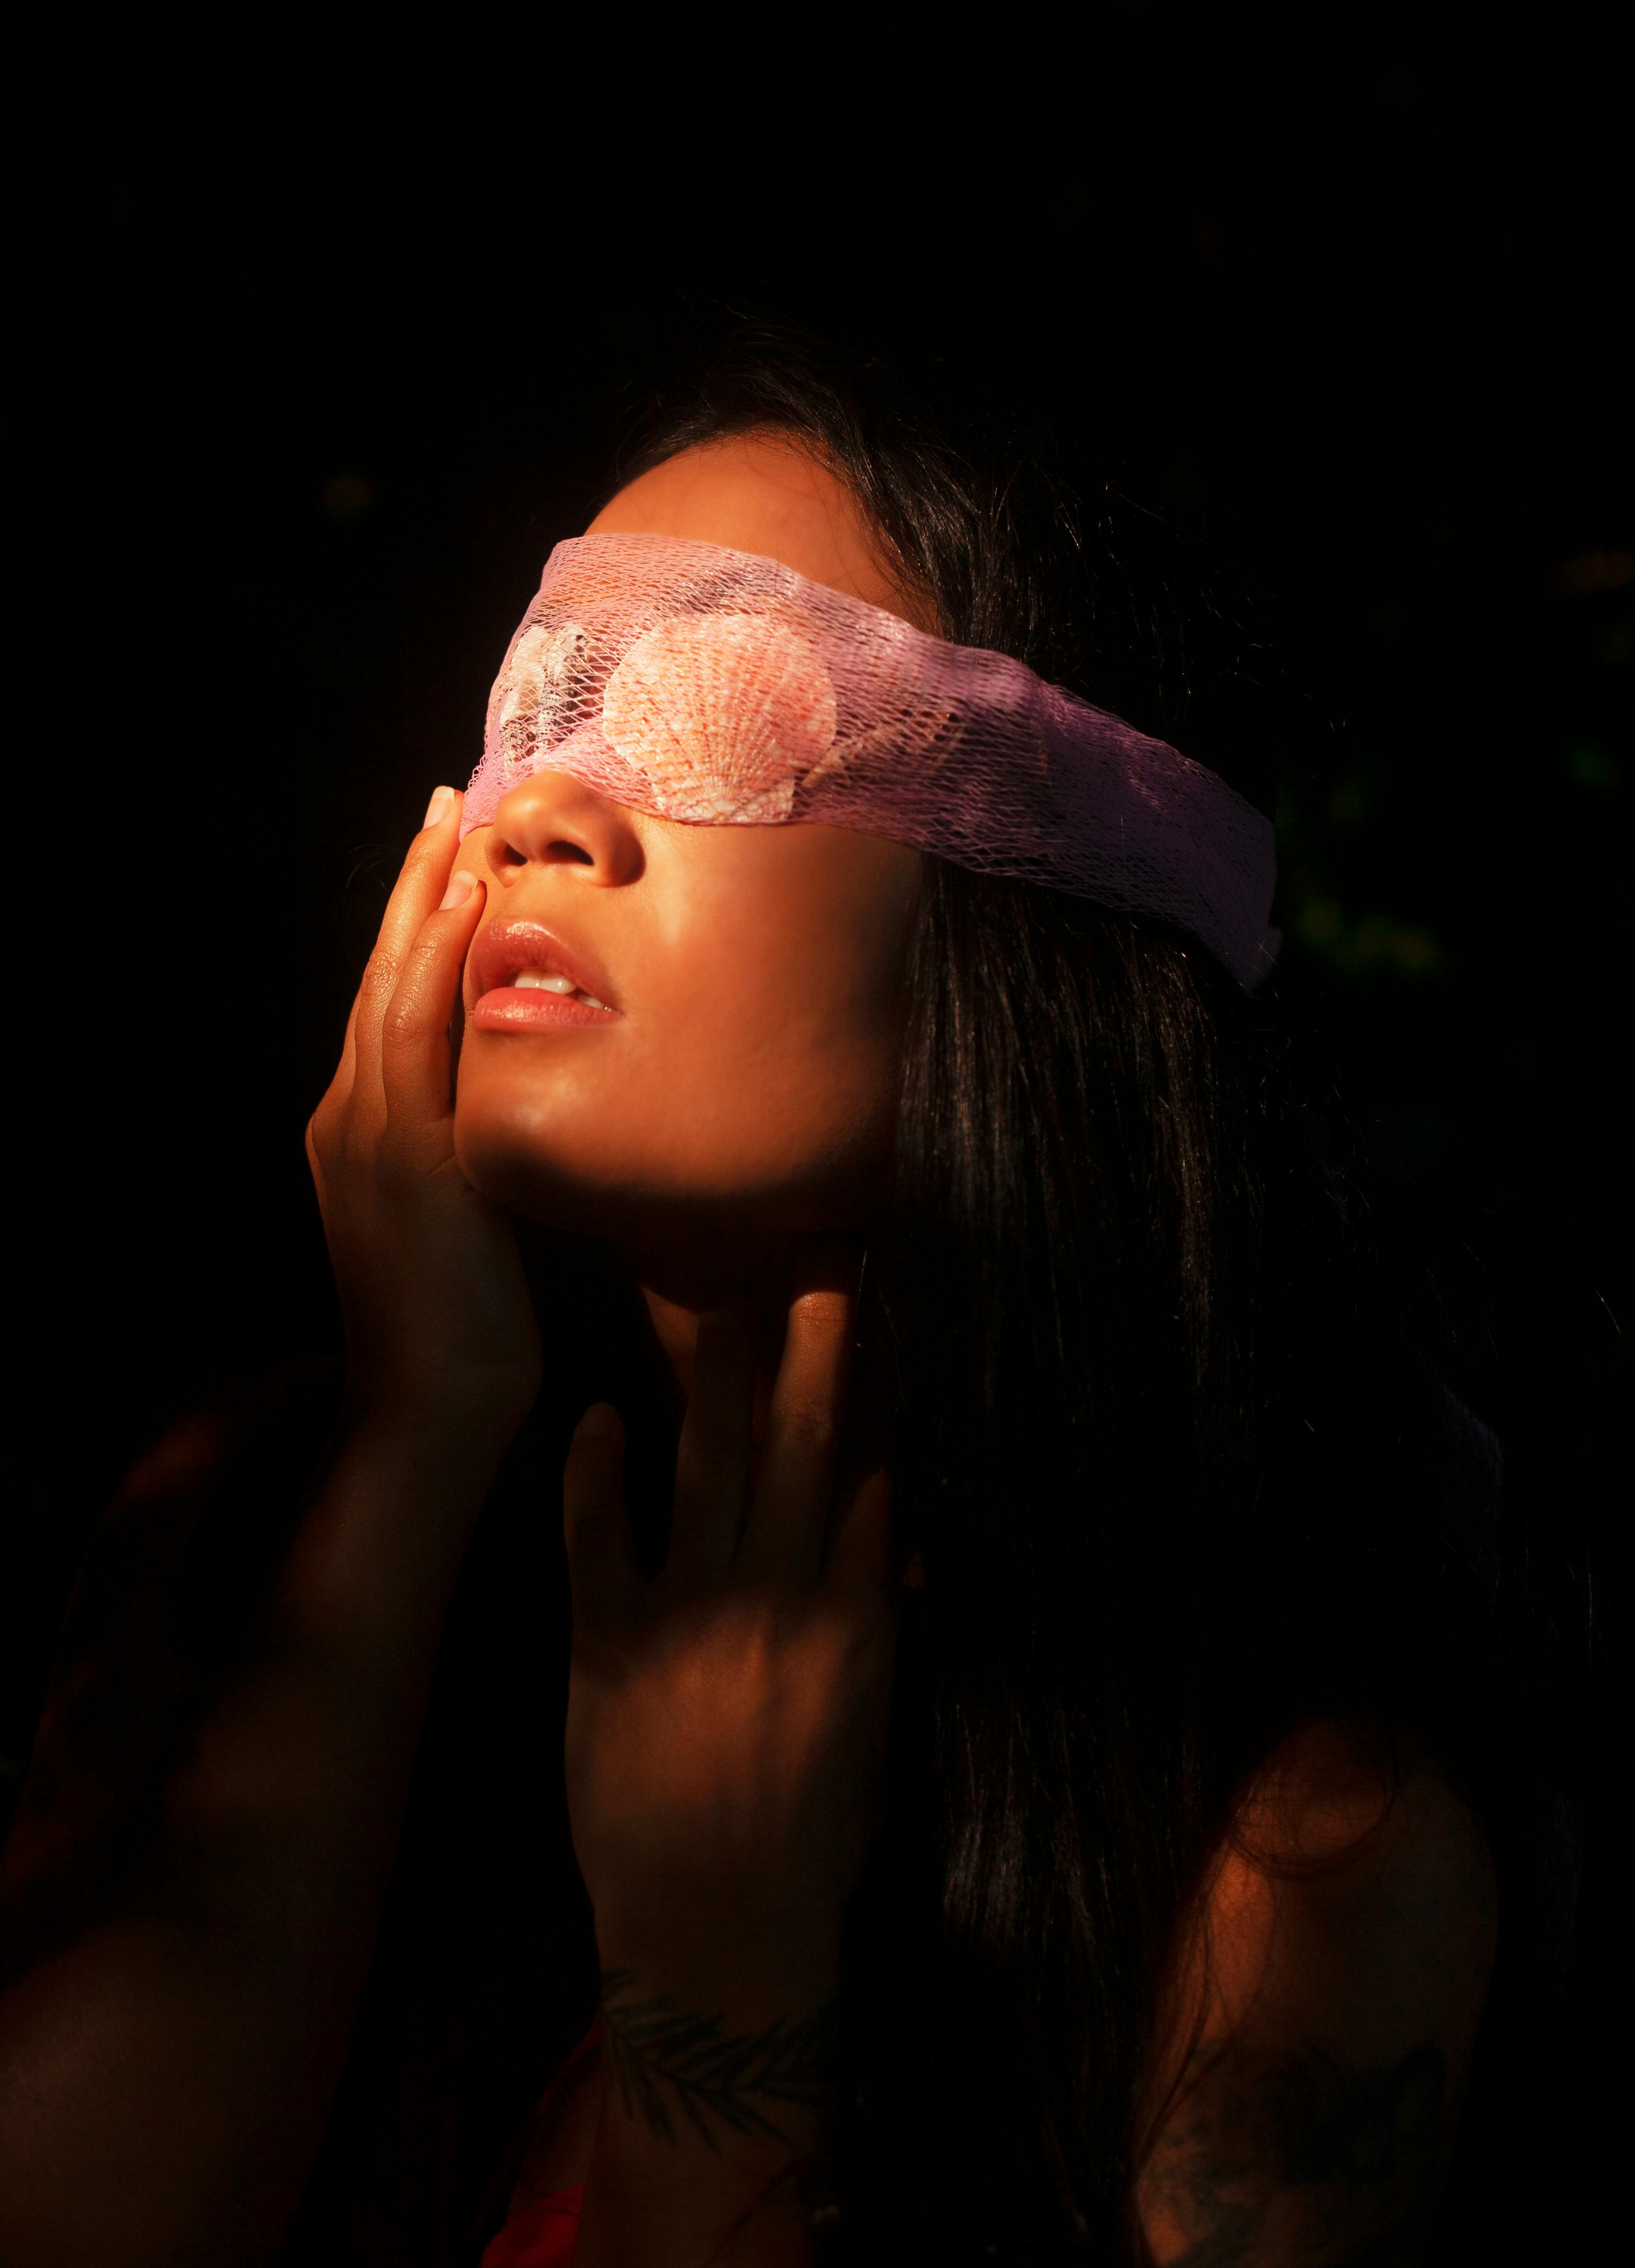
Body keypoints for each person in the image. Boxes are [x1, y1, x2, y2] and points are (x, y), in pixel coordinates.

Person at [0, 330, 1568, 2265]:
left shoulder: (1289, 1877)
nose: (531, 821)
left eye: (711, 704)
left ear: (1047, 886)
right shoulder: (249, 1526)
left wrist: (718, 2022)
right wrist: (411, 1460)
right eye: (536, 709)